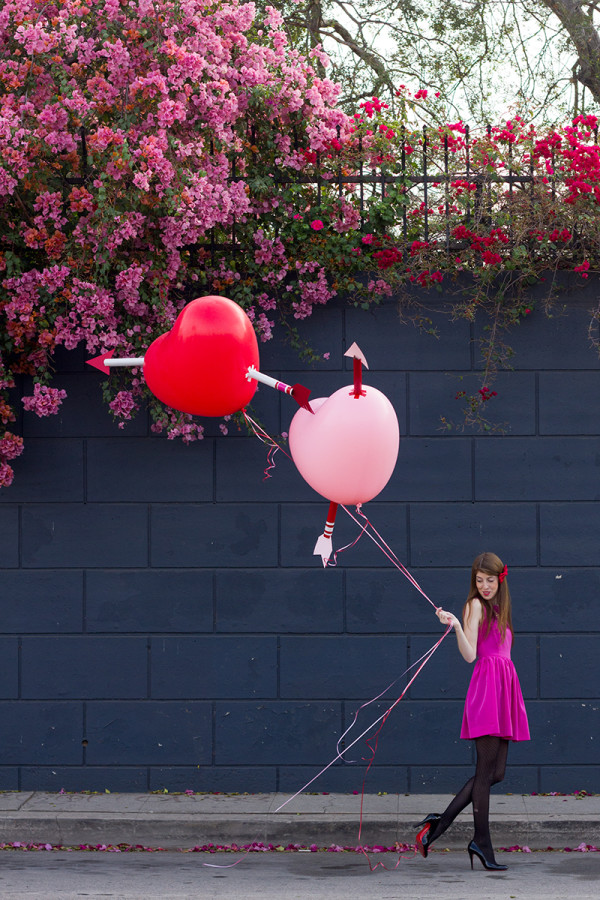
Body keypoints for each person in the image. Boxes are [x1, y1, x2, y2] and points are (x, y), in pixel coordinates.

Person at [415, 552, 530, 871]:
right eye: (479, 581)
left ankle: (439, 825)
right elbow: (469, 655)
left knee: (496, 773)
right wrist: (454, 624)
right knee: (485, 771)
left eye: (489, 580)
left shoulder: (500, 609)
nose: (484, 586)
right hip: (487, 691)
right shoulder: (475, 606)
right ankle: (481, 841)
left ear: (500, 580)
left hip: (503, 689)